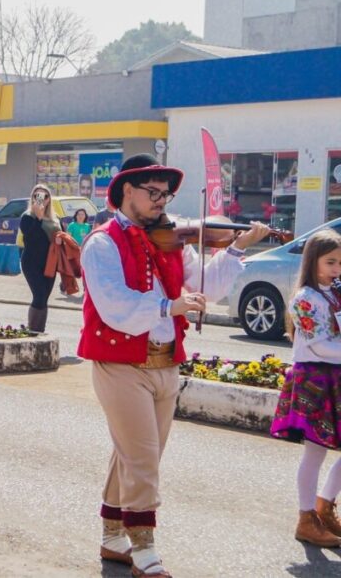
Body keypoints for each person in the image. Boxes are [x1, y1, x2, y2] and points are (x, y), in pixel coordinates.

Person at [78, 154, 269, 577]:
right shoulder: (103, 242)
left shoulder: (170, 240)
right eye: (154, 193)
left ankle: (113, 535)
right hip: (120, 362)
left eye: (166, 195)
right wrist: (169, 305)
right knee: (143, 455)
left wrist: (236, 249)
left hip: (166, 362)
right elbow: (113, 306)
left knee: (135, 453)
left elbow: (206, 288)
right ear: (127, 189)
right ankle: (143, 549)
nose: (162, 202)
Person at [270, 229, 341, 547]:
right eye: (330, 262)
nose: (337, 269)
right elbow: (318, 345)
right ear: (313, 261)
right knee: (315, 453)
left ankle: (324, 506)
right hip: (315, 379)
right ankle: (306, 518)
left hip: (336, 375)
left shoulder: (334, 292)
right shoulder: (305, 299)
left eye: (340, 263)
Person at [19, 184, 60, 332]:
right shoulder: (27, 216)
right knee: (39, 295)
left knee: (44, 298)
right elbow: (31, 236)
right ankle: (33, 330)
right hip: (31, 261)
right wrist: (39, 217)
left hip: (50, 262)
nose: (41, 199)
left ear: (49, 199)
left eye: (45, 196)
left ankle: (40, 331)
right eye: (37, 196)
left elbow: (62, 237)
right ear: (32, 198)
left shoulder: (55, 219)